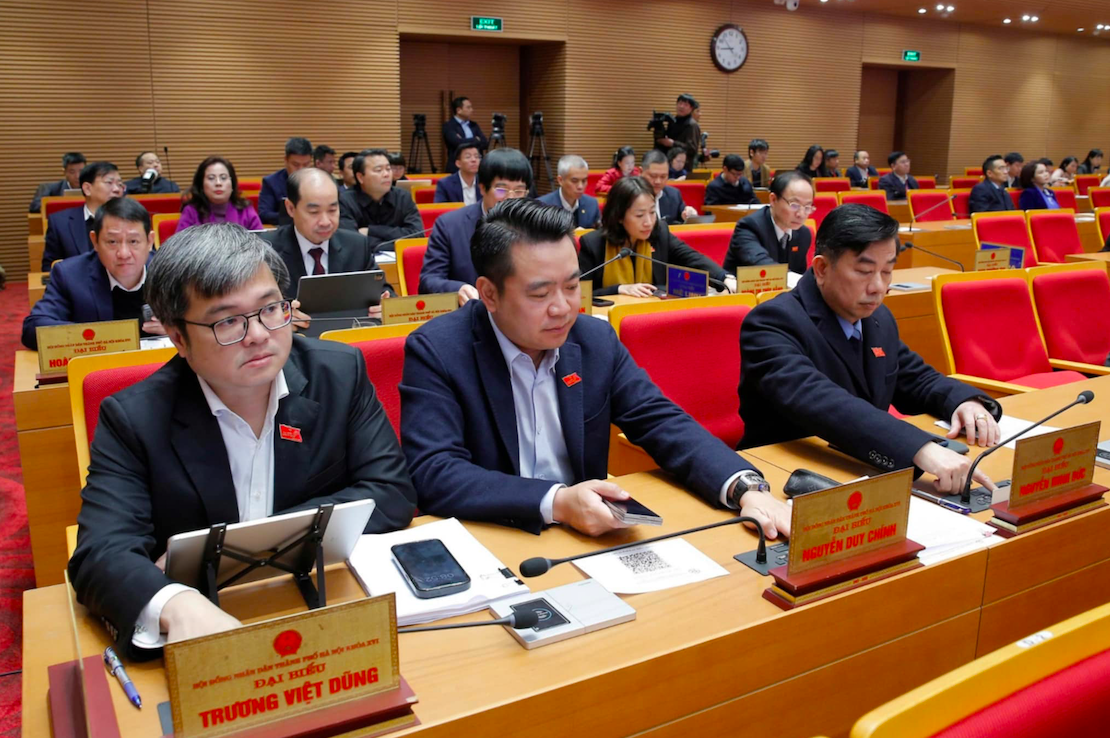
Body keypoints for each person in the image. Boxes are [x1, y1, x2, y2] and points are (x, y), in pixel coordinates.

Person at [67, 222, 416, 658]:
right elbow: (100, 553)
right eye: (228, 321)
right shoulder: (134, 418)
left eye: (270, 309)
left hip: (319, 603)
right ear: (178, 337)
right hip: (204, 625)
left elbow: (390, 490)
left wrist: (228, 550)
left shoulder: (339, 374)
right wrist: (175, 604)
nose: (258, 335)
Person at [400, 197, 789, 539]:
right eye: (540, 293)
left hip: (589, 534)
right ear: (489, 293)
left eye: (572, 287)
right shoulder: (439, 350)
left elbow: (660, 420)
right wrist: (557, 501)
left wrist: (744, 487)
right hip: (491, 535)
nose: (562, 308)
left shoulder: (593, 339)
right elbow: (435, 471)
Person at [739, 204, 1003, 494]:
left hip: (862, 467)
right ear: (822, 268)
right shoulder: (772, 322)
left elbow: (914, 377)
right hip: (787, 475)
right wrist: (920, 448)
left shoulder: (877, 318)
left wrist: (963, 401)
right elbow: (820, 401)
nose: (879, 287)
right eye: (865, 271)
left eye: (887, 271)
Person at [23, 197, 164, 349]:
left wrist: (177, 329)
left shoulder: (170, 271)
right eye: (112, 242)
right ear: (95, 241)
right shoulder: (69, 275)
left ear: (150, 241)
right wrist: (102, 338)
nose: (124, 254)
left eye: (133, 241)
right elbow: (33, 328)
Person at [259, 169, 391, 325]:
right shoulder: (265, 251)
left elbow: (385, 293)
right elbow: (252, 310)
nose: (325, 222)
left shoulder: (357, 245)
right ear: (290, 208)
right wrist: (280, 318)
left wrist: (384, 307)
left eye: (332, 210)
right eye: (314, 212)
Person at [578, 176, 731, 297]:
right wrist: (618, 289)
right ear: (619, 216)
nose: (649, 222)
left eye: (652, 212)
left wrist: (725, 277)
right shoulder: (594, 244)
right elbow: (580, 293)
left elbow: (692, 258)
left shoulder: (659, 232)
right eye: (639, 215)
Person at [420, 148, 532, 303]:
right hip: (471, 310)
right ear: (482, 188)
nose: (511, 198)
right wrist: (458, 289)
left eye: (519, 191)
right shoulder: (450, 226)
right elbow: (429, 280)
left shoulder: (535, 225)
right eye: (502, 190)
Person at [722, 171, 814, 274]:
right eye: (794, 205)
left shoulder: (803, 234)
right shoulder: (749, 227)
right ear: (773, 200)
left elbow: (799, 273)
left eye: (807, 207)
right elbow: (762, 266)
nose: (801, 214)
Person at [41, 161, 126, 270]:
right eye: (109, 183)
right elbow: (49, 267)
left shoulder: (134, 220)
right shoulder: (60, 223)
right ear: (87, 189)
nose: (117, 189)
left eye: (119, 184)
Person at [338, 149, 423, 250]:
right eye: (378, 170)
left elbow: (417, 236)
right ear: (360, 177)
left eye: (388, 169)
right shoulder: (345, 201)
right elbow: (350, 242)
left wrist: (371, 230)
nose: (386, 174)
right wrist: (396, 243)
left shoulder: (403, 197)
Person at [175, 156, 262, 234]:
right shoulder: (191, 211)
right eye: (211, 178)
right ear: (201, 185)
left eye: (223, 178)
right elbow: (180, 245)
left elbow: (261, 243)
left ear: (232, 184)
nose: (218, 183)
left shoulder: (245, 210)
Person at [537, 155, 601, 229]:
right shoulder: (542, 206)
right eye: (574, 181)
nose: (580, 186)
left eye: (584, 181)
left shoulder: (592, 204)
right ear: (560, 180)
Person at [258, 137, 312, 225]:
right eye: (296, 164)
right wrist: (295, 216)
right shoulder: (271, 182)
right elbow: (264, 214)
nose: (301, 169)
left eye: (306, 164)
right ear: (286, 160)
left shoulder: (319, 182)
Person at [642, 150, 697, 224]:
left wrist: (690, 216)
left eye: (663, 176)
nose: (658, 181)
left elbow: (684, 221)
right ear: (641, 172)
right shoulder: (631, 196)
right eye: (653, 176)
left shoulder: (674, 195)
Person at [442, 96, 488, 174]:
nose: (472, 110)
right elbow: (457, 143)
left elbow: (485, 143)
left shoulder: (474, 125)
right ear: (458, 110)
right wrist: (476, 140)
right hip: (456, 168)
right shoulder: (449, 126)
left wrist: (463, 140)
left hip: (476, 167)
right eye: (468, 107)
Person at [655, 94, 701, 164]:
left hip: (683, 165)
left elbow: (692, 149)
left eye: (685, 105)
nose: (681, 106)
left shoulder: (692, 125)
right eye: (680, 103)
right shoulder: (673, 121)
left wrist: (673, 143)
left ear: (691, 108)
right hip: (669, 162)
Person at [433, 140, 480, 204]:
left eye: (476, 157)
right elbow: (440, 208)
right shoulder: (445, 184)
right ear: (458, 163)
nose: (474, 160)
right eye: (468, 157)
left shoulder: (486, 182)